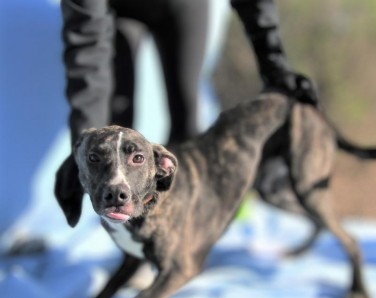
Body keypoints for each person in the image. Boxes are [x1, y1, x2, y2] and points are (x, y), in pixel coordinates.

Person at [55, 0, 319, 215]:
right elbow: (87, 54)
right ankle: (130, 242)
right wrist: (83, 145)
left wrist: (275, 66)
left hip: (183, 6)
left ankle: (178, 233)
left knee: (186, 121)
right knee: (117, 119)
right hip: (120, 10)